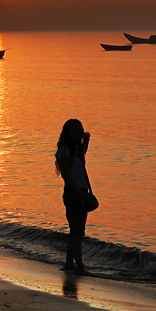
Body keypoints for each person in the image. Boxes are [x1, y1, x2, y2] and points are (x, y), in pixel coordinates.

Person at [55, 118, 94, 275]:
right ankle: (80, 267)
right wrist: (78, 193)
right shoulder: (64, 150)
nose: (77, 133)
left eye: (79, 130)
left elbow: (83, 150)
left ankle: (69, 264)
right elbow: (66, 175)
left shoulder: (76, 150)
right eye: (74, 130)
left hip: (82, 192)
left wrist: (87, 139)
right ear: (67, 132)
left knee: (76, 231)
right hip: (73, 193)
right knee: (77, 231)